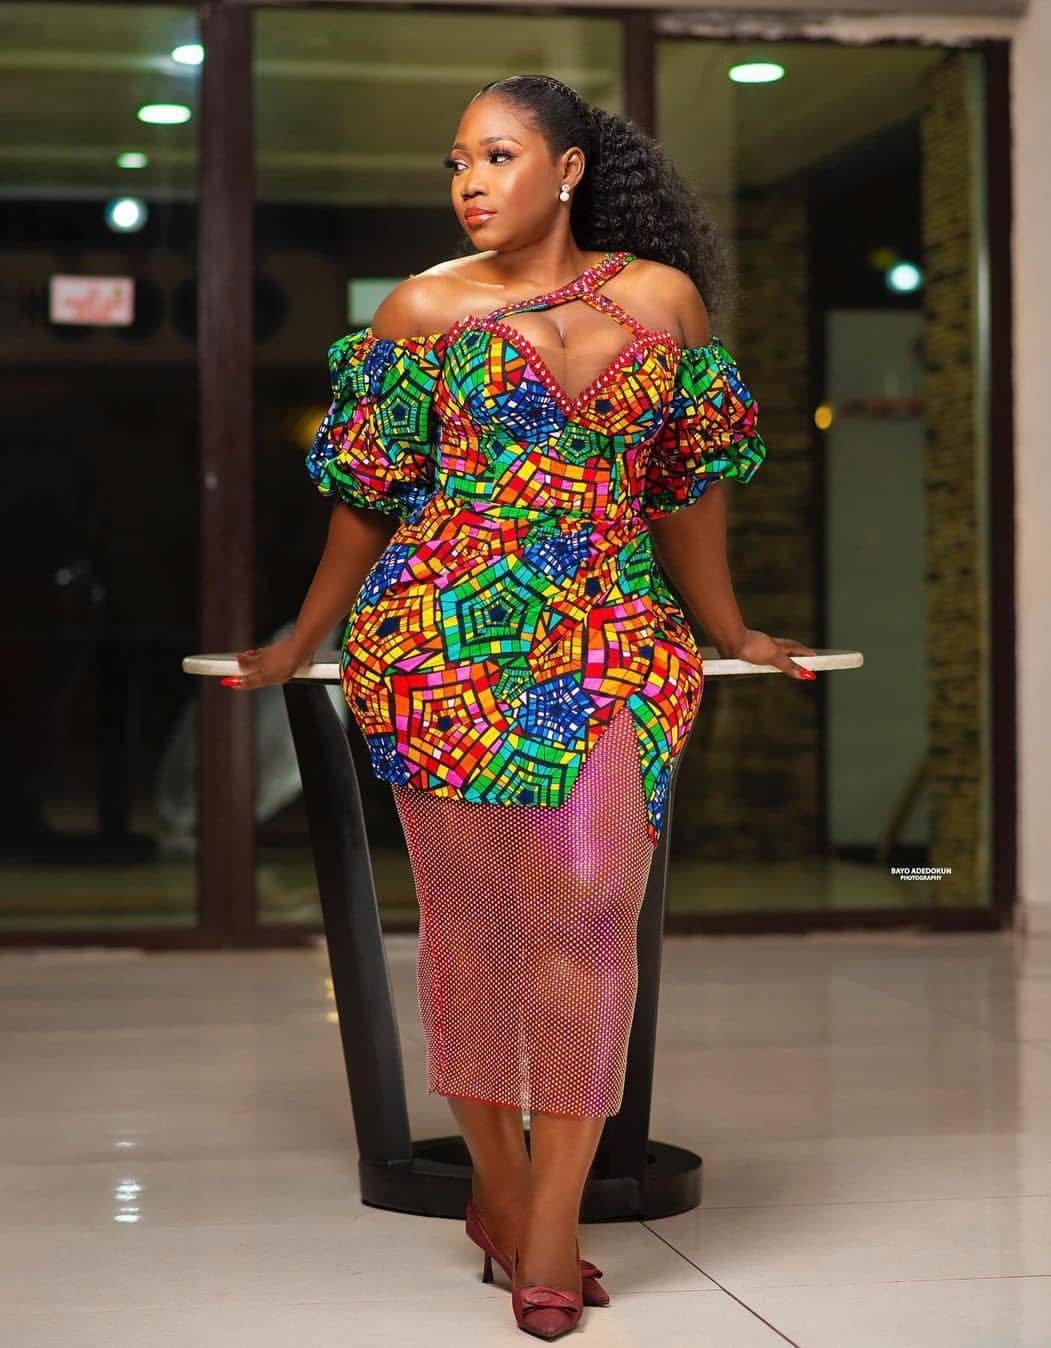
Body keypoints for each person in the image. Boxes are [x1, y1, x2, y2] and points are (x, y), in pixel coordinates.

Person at [227, 74, 816, 1342]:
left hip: (615, 638)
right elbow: (367, 497)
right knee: (478, 930)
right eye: (456, 163)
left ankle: (551, 1218)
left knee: (593, 911)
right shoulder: (423, 308)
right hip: (442, 641)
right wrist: (301, 640)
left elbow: (687, 488)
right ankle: (503, 1196)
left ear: (569, 169)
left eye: (496, 156)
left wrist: (730, 631)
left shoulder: (663, 301)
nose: (470, 183)